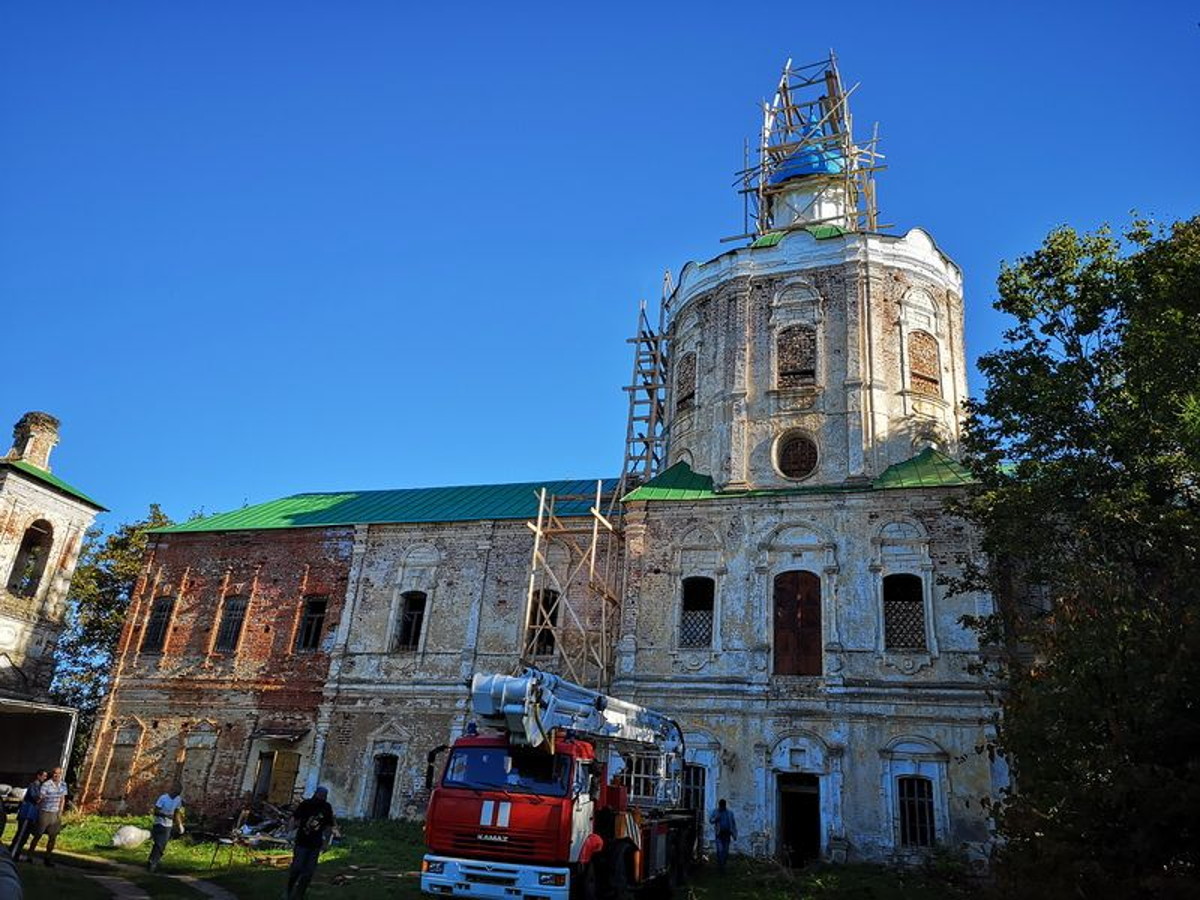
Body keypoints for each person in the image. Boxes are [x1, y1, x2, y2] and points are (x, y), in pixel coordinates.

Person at [286, 786, 336, 899]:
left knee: (308, 872)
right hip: (302, 842)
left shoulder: (326, 807)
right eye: (321, 795)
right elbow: (295, 818)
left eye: (324, 795)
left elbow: (329, 825)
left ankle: (299, 894)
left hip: (315, 844)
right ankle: (289, 890)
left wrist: (326, 842)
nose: (322, 797)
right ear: (316, 794)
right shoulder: (306, 804)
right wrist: (289, 833)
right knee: (297, 868)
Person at [23, 767, 67, 866]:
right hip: (45, 812)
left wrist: (60, 811)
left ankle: (47, 858)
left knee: (53, 837)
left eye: (59, 774)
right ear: (52, 774)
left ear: (61, 774)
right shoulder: (46, 784)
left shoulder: (63, 785)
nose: (57, 775)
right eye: (55, 773)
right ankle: (29, 856)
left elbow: (62, 799)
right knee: (38, 835)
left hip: (55, 813)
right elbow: (41, 798)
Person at [7, 771, 47, 859]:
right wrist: (44, 796)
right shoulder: (33, 785)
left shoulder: (40, 787)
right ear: (38, 776)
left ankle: (17, 852)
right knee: (21, 835)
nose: (45, 778)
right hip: (27, 814)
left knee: (25, 836)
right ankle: (12, 853)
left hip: (32, 815)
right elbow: (36, 799)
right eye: (44, 776)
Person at [147, 787, 185, 872]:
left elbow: (177, 813)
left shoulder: (178, 799)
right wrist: (165, 815)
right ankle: (153, 863)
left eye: (178, 793)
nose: (176, 795)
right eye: (175, 793)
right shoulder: (163, 798)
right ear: (171, 790)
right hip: (159, 823)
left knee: (161, 845)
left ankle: (152, 861)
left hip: (168, 825)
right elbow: (156, 811)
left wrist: (179, 825)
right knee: (159, 844)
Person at [708, 798, 738, 875]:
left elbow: (733, 824)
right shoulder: (716, 812)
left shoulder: (729, 813)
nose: (721, 808)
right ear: (719, 806)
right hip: (719, 834)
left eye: (723, 806)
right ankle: (720, 866)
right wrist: (716, 819)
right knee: (720, 850)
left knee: (725, 851)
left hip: (727, 834)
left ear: (725, 806)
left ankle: (723, 865)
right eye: (721, 806)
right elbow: (710, 820)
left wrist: (734, 834)